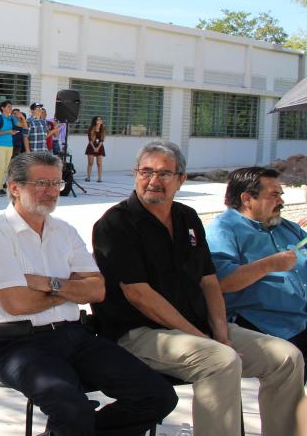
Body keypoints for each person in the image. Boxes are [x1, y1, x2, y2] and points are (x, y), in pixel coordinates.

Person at [92, 141, 304, 436]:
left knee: (286, 358)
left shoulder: (187, 218)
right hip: (140, 333)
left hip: (198, 329)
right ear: (135, 174)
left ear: (181, 179)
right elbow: (139, 295)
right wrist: (204, 338)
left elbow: (209, 281)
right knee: (220, 360)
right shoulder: (114, 224)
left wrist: (220, 332)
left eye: (165, 174)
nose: (154, 180)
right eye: (146, 171)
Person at [0, 151, 177, 436]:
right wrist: (69, 289)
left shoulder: (64, 231)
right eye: (42, 183)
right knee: (72, 409)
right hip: (16, 346)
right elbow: (18, 303)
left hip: (74, 337)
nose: (51, 192)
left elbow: (97, 290)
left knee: (158, 395)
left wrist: (48, 284)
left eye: (57, 184)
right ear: (14, 187)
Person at [206, 167, 307, 371]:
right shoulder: (224, 230)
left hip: (300, 318)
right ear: (247, 199)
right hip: (264, 324)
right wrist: (269, 264)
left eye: (281, 194)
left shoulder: (287, 228)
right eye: (274, 195)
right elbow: (221, 282)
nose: (281, 201)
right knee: (292, 361)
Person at [0, 100, 18, 197]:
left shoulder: (11, 119)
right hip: (0, 145)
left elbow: (23, 125)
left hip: (10, 145)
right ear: (2, 108)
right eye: (8, 106)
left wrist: (20, 115)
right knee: (1, 167)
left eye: (11, 106)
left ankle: (0, 184)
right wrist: (8, 132)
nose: (10, 108)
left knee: (5, 168)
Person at [85, 116, 106, 182]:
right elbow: (90, 139)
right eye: (98, 120)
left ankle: (99, 178)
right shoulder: (91, 128)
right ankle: (88, 177)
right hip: (91, 146)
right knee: (90, 163)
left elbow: (102, 140)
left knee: (99, 163)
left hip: (100, 146)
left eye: (100, 119)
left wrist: (98, 148)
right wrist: (94, 148)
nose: (100, 121)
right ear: (95, 121)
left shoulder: (103, 129)